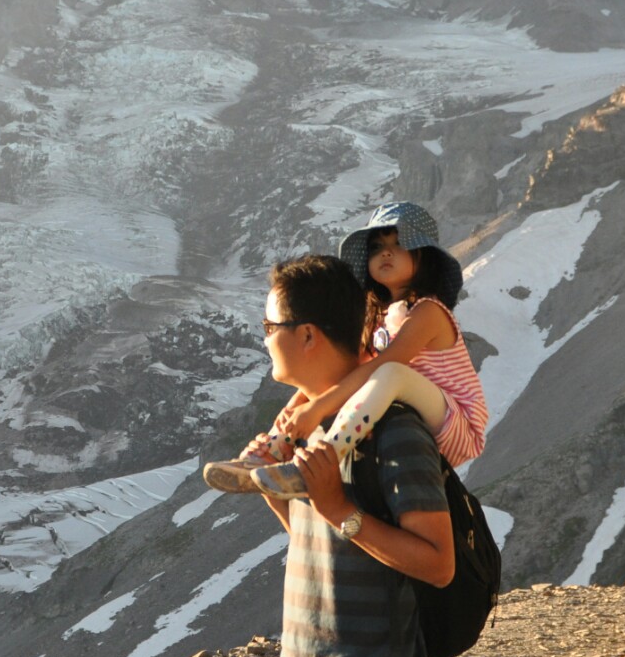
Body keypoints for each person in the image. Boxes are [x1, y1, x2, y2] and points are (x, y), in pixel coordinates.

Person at [248, 253, 454, 657]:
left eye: (269, 322)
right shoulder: (312, 425)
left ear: (307, 333)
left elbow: (437, 563)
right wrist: (277, 490)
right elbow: (325, 545)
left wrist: (339, 507)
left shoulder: (392, 429)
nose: (263, 336)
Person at [205, 201, 487, 497]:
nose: (386, 252)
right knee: (308, 392)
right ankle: (267, 453)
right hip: (413, 412)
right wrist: (305, 406)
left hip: (457, 424)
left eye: (400, 244)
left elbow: (385, 365)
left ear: (425, 257)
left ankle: (324, 458)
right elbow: (358, 369)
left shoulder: (428, 311)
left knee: (391, 372)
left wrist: (321, 407)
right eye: (377, 247)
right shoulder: (378, 318)